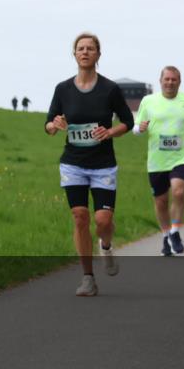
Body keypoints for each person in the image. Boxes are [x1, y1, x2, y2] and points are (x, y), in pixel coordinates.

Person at [45, 33, 134, 296]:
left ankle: (105, 246)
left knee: (103, 220)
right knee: (80, 216)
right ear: (74, 54)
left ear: (98, 54)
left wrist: (110, 132)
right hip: (73, 163)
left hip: (103, 164)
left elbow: (127, 122)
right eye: (80, 48)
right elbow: (49, 123)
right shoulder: (63, 89)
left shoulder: (110, 89)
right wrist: (55, 125)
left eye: (90, 48)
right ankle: (87, 278)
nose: (85, 52)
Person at [133, 66, 184, 256]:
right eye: (167, 79)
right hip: (157, 160)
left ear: (179, 82)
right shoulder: (148, 101)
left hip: (182, 156)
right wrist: (140, 128)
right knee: (161, 201)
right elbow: (136, 128)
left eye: (174, 79)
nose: (170, 82)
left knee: (178, 191)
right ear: (160, 81)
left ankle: (175, 231)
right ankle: (166, 236)